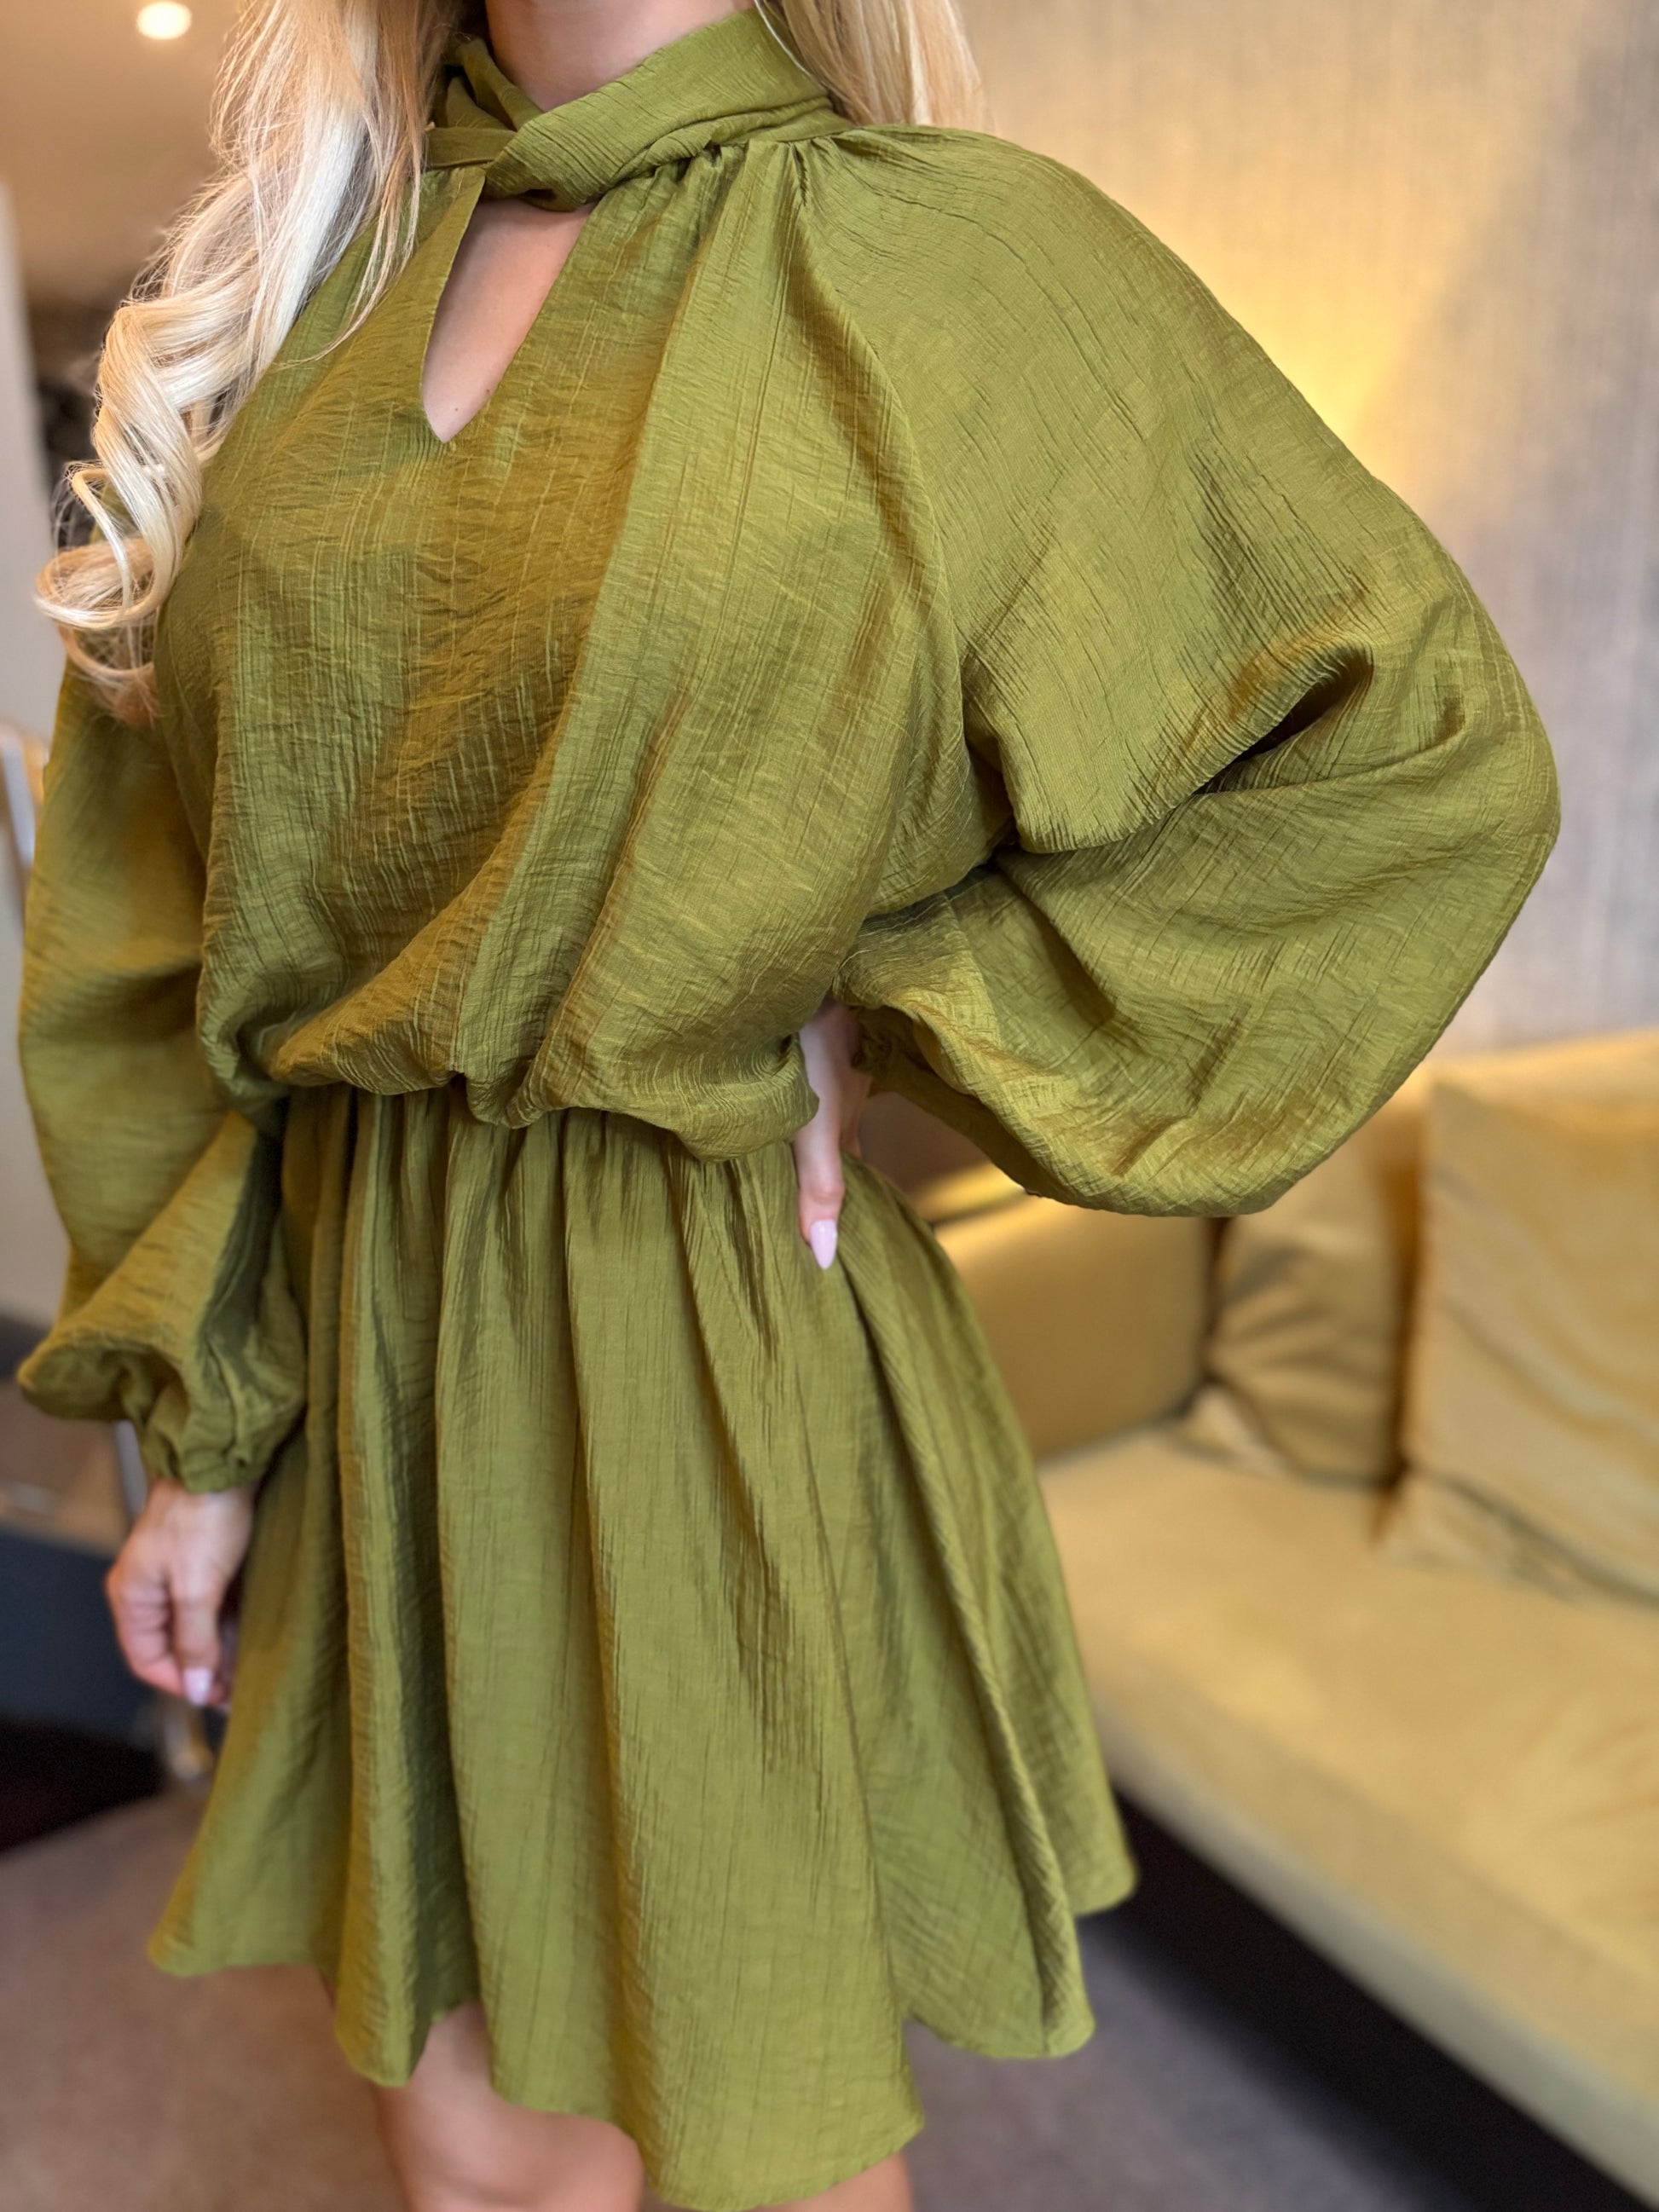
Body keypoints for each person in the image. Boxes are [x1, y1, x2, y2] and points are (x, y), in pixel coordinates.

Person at [14, 0, 1558, 2205]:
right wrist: (199, 1418)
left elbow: (1407, 758)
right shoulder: (308, 288)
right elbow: (160, 929)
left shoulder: (943, 265)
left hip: (701, 1321)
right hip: (369, 1347)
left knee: (756, 2141)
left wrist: (893, 990)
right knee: (469, 2142)